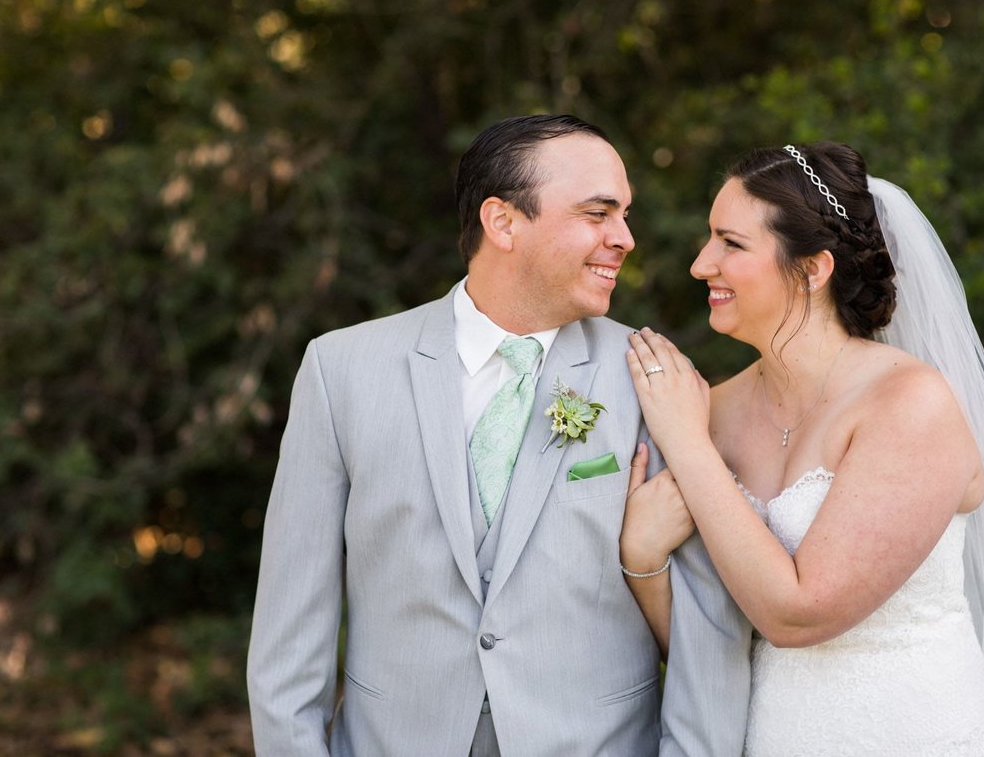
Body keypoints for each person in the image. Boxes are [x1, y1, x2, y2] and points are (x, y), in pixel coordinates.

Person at [246, 114, 751, 756]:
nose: (624, 238)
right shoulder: (340, 370)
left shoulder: (654, 380)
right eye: (598, 213)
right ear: (503, 222)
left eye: (624, 215)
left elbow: (709, 629)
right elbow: (290, 636)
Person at [618, 142, 984, 755]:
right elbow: (716, 646)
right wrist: (643, 559)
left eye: (731, 243)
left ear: (812, 270)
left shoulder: (910, 405)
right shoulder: (712, 410)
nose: (701, 264)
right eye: (709, 238)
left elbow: (797, 613)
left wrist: (686, 444)